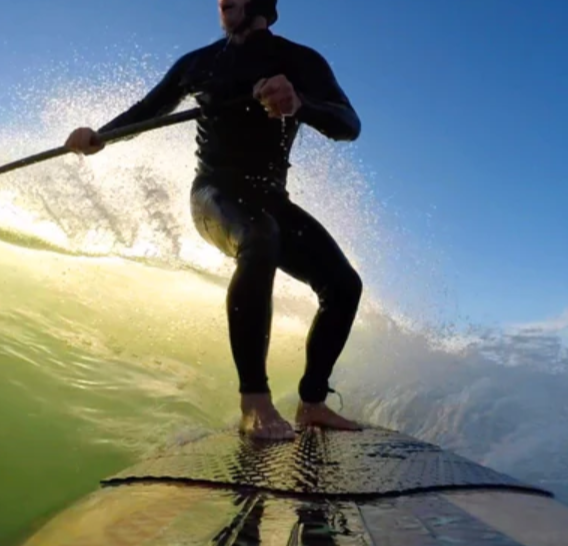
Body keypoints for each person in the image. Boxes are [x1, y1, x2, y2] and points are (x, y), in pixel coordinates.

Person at [64, 0, 363, 440]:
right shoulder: (199, 63)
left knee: (343, 286)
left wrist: (299, 103)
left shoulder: (299, 61)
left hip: (271, 199)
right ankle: (254, 402)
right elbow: (151, 110)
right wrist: (99, 136)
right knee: (261, 238)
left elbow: (348, 124)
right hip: (214, 194)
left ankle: (312, 403)